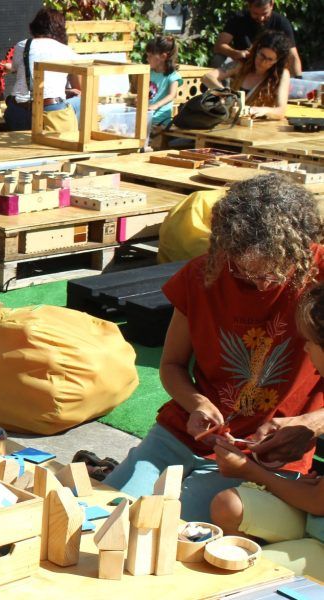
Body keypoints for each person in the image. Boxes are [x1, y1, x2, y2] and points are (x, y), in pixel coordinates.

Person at [103, 174, 324, 522]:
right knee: (105, 512)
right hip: (184, 435)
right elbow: (172, 365)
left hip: (266, 454)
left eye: (271, 275)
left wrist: (312, 423)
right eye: (243, 269)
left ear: (301, 248)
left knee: (169, 530)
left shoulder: (320, 274)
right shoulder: (202, 275)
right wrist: (197, 403)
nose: (257, 282)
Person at [209, 281, 324, 581]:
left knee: (233, 574)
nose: (305, 347)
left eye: (311, 340)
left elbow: (317, 502)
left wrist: (249, 470)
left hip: (318, 526)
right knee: (228, 506)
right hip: (316, 520)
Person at [4, 8, 82, 132]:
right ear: (60, 29)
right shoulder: (66, 51)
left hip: (18, 113)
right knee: (82, 101)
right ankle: (78, 139)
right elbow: (80, 88)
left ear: (34, 27)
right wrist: (67, 91)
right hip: (51, 113)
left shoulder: (22, 46)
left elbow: (16, 68)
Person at [203, 29, 292, 121]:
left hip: (258, 126)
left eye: (270, 59)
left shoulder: (282, 74)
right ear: (257, 49)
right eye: (262, 55)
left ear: (277, 60)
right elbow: (207, 77)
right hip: (230, 121)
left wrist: (262, 110)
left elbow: (281, 111)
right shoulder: (242, 64)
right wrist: (225, 94)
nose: (263, 62)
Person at [214, 0, 301, 78]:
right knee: (218, 59)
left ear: (272, 4)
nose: (261, 18)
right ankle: (223, 92)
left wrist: (299, 80)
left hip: (269, 66)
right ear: (249, 6)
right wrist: (235, 53)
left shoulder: (281, 23)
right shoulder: (237, 18)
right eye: (255, 14)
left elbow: (293, 55)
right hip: (241, 62)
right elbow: (219, 46)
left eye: (265, 13)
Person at [145, 36, 182, 129]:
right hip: (145, 116)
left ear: (163, 57)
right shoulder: (149, 72)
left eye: (150, 56)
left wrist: (155, 105)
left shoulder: (173, 76)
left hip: (160, 120)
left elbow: (172, 95)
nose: (147, 59)